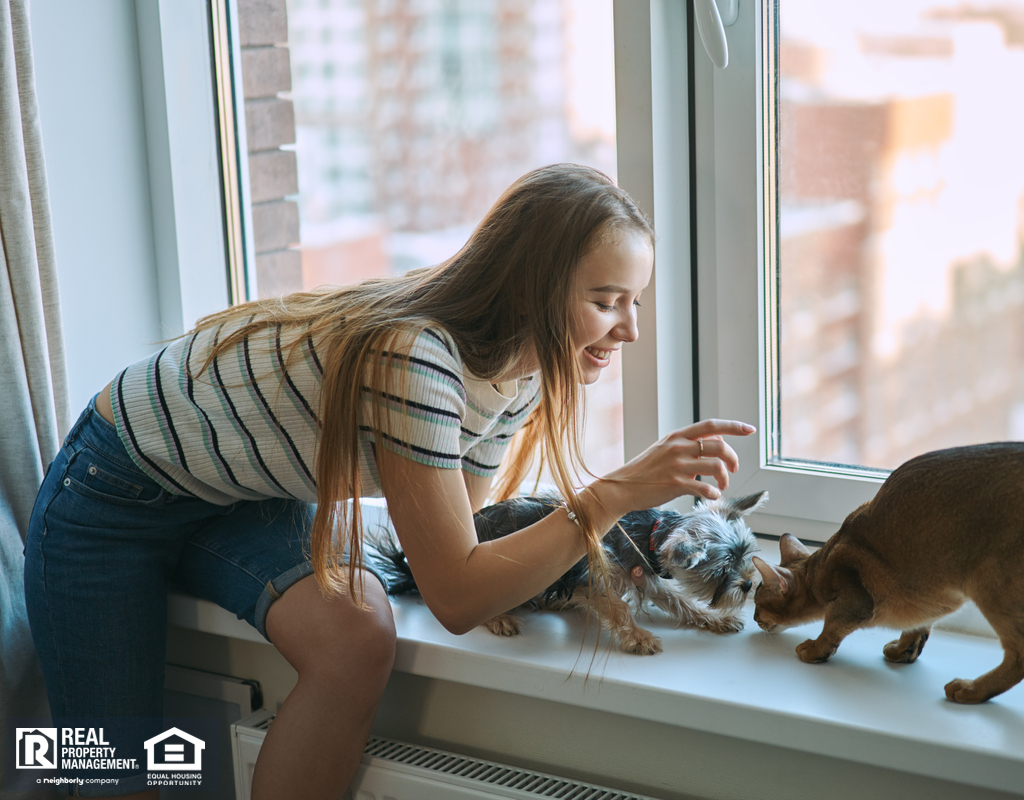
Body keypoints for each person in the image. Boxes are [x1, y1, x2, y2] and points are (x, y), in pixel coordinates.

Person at [24, 163, 754, 799]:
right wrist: (614, 496)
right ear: (532, 291)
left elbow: (456, 555)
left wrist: (606, 508)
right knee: (115, 783)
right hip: (113, 491)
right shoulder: (418, 360)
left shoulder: (519, 373)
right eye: (607, 300)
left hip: (242, 497)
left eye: (636, 301)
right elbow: (458, 596)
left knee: (357, 638)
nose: (628, 328)